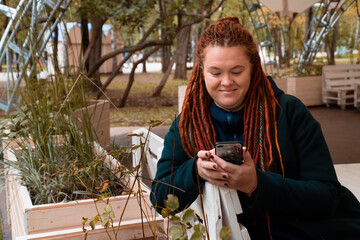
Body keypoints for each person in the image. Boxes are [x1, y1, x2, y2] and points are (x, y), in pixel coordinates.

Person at [150, 17, 360, 239]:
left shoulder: (289, 112)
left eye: (237, 71)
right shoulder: (189, 125)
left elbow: (327, 196)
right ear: (201, 72)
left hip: (318, 230)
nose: (227, 81)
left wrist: (256, 184)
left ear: (253, 68)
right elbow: (159, 199)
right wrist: (195, 171)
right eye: (216, 72)